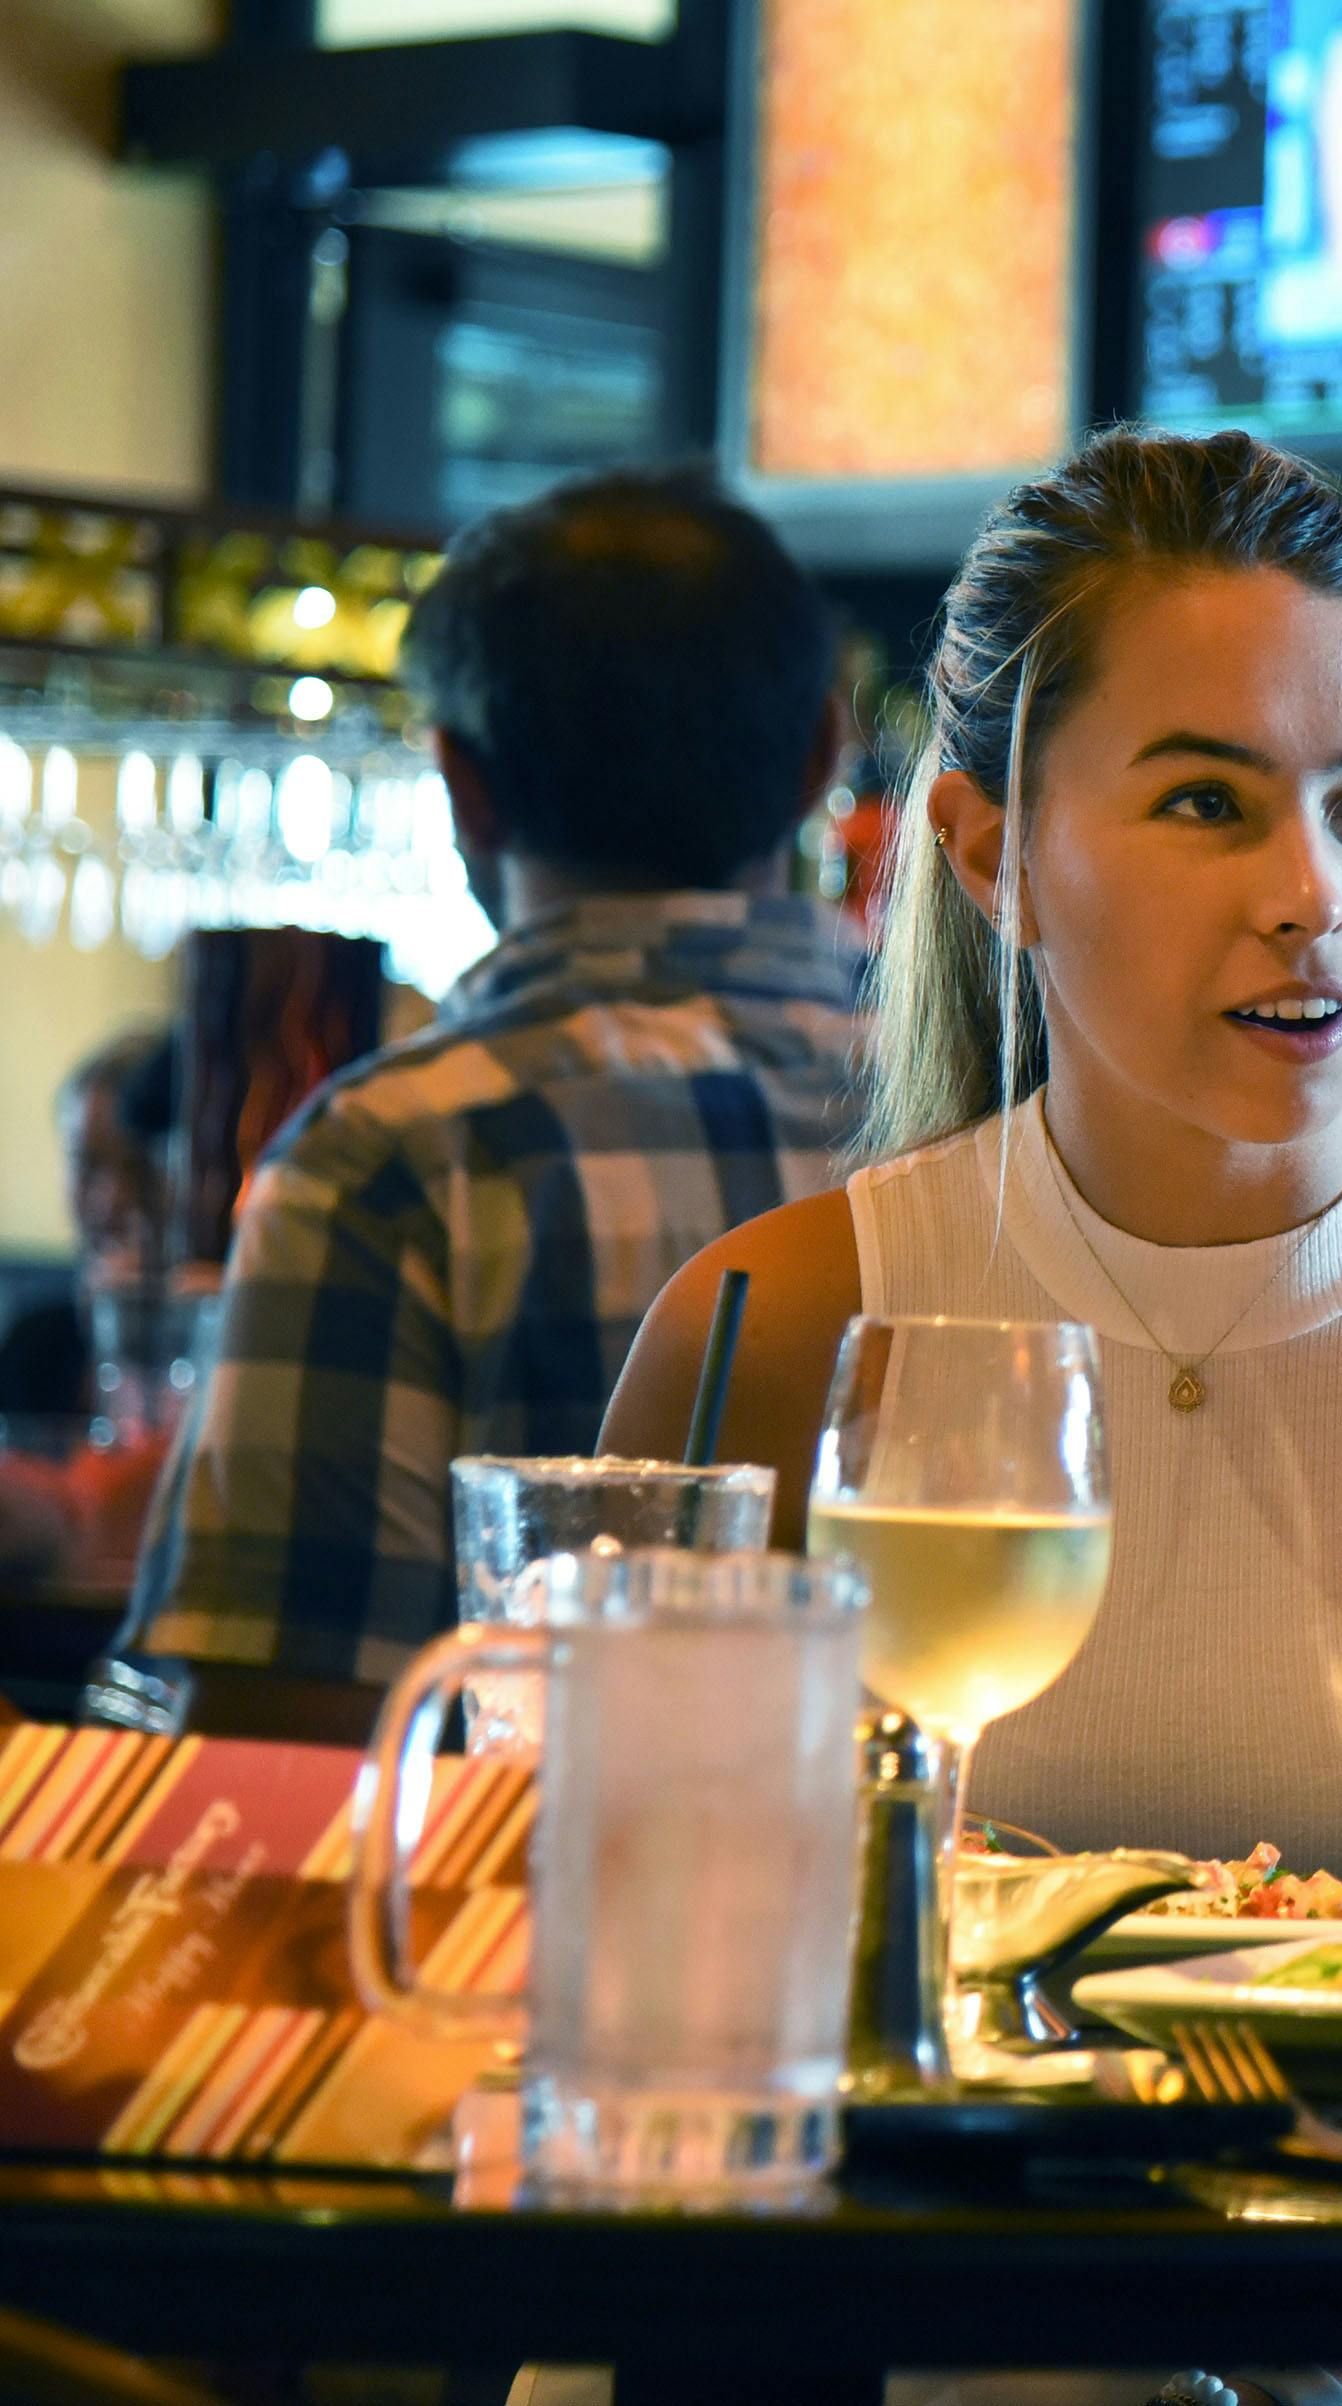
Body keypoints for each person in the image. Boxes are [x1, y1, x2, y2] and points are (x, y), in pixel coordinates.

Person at [604, 426, 1342, 1907]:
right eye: (1206, 804)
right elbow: (616, 1941)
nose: (1312, 897)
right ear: (991, 857)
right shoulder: (773, 1339)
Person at [101, 466, 865, 1731]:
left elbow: (286, 1728)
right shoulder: (1013, 1106)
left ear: (461, 784)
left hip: (543, 1856)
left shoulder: (389, 1157)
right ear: (822, 758)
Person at [0, 1026, 175, 1425]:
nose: (111, 1198)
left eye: (140, 1166)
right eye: (87, 1163)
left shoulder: (221, 1341)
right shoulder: (31, 1346)